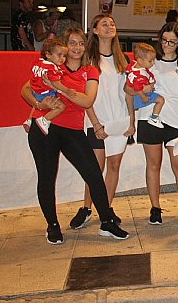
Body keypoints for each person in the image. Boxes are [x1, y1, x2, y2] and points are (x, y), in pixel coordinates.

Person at [21, 27, 129, 244]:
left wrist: (60, 89)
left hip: (73, 130)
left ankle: (106, 222)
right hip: (45, 127)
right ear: (64, 46)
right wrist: (40, 104)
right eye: (72, 43)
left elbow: (87, 101)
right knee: (47, 177)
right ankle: (52, 225)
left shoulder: (90, 70)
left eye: (81, 43)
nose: (77, 47)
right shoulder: (52, 66)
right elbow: (25, 89)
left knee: (94, 175)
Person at [132, 22, 178, 231]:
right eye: (164, 40)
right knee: (153, 164)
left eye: (172, 41)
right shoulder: (149, 62)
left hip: (175, 122)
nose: (167, 45)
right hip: (150, 118)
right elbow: (132, 84)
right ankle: (155, 208)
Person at [69, 14, 134, 230]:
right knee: (95, 170)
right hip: (97, 121)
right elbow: (84, 95)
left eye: (112, 24)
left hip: (119, 121)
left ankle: (106, 209)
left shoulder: (122, 60)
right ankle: (87, 208)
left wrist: (131, 121)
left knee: (114, 166)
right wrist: (95, 123)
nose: (109, 27)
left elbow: (128, 94)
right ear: (95, 30)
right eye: (104, 24)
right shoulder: (88, 59)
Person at [23, 39, 76, 135]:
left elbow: (32, 70)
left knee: (35, 104)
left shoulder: (39, 62)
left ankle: (29, 120)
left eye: (64, 56)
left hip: (35, 91)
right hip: (45, 93)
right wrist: (67, 90)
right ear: (48, 54)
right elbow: (55, 83)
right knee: (61, 106)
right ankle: (44, 120)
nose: (62, 58)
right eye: (59, 55)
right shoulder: (51, 69)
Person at [126, 43, 165, 128]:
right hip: (142, 96)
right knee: (161, 100)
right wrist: (143, 97)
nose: (153, 63)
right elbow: (138, 89)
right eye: (150, 61)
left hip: (139, 95)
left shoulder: (134, 66)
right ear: (140, 60)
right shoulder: (140, 75)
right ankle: (154, 118)